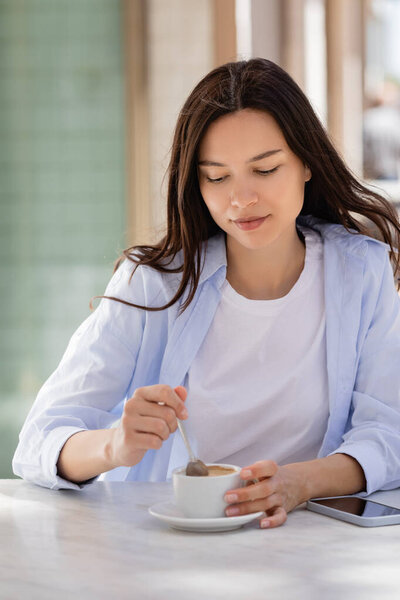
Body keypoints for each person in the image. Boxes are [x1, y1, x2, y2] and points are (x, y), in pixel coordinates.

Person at [13, 59, 400, 529]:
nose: (241, 199)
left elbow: (388, 432)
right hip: (174, 548)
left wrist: (300, 482)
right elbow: (38, 441)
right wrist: (115, 444)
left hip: (312, 545)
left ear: (306, 165)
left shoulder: (361, 271)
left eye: (265, 169)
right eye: (217, 177)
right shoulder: (156, 282)